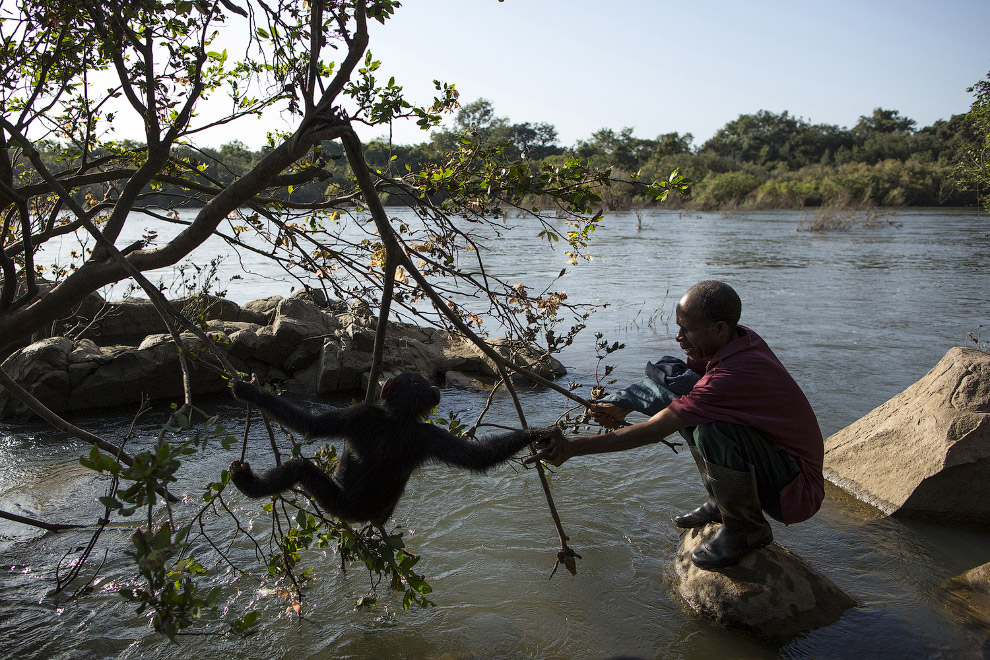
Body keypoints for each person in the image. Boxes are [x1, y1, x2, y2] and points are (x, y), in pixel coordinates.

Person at [530, 280, 824, 570]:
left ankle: (746, 528)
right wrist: (622, 401)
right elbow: (674, 384)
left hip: (796, 491)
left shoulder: (734, 373)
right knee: (683, 391)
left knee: (711, 429)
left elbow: (658, 427)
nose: (679, 337)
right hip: (778, 467)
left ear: (719, 328)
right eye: (679, 327)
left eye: (687, 329)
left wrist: (572, 447)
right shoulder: (736, 340)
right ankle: (721, 504)